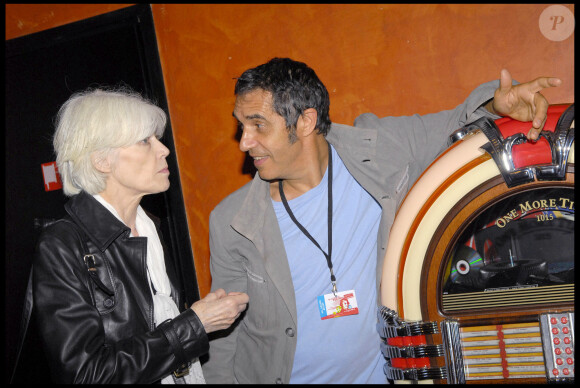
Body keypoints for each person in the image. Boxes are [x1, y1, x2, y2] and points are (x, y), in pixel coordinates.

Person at [201, 57, 561, 384]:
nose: (244, 142)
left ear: (306, 121)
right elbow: (224, 340)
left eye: (258, 125)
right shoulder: (233, 222)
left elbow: (457, 122)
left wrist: (497, 105)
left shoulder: (380, 150)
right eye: (241, 125)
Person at [30, 87, 249, 384]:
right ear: (102, 161)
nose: (164, 150)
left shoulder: (148, 227)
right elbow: (86, 376)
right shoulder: (62, 245)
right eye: (145, 141)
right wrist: (195, 324)